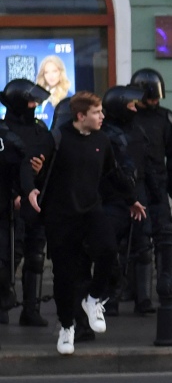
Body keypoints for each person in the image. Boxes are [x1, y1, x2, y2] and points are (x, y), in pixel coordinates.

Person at [30, 91, 133, 355]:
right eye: (97, 112)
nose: (102, 116)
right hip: (61, 216)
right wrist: (30, 186)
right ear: (81, 116)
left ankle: (93, 299)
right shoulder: (57, 138)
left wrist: (132, 198)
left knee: (109, 250)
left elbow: (112, 173)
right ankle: (67, 327)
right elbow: (30, 166)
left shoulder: (102, 140)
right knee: (64, 276)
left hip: (91, 210)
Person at [129, 68, 172, 314]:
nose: (155, 101)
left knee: (165, 239)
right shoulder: (127, 117)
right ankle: (141, 297)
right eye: (151, 96)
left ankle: (167, 288)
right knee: (140, 242)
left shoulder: (165, 118)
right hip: (136, 187)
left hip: (159, 186)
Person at [0, 79, 55, 327]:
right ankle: (2, 305)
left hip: (36, 202)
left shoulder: (40, 129)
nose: (35, 105)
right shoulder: (2, 131)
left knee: (35, 256)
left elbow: (49, 164)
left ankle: (30, 310)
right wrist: (13, 194)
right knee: (9, 257)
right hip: (9, 205)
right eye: (31, 101)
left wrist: (40, 171)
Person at [98, 85, 149, 322]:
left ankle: (143, 299)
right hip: (113, 199)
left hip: (137, 195)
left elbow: (150, 165)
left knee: (141, 247)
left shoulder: (139, 130)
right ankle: (111, 299)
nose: (135, 108)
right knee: (110, 249)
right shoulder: (106, 134)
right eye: (131, 105)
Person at [35, 55, 74, 127]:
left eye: (54, 71)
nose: (51, 76)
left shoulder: (68, 97)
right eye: (46, 72)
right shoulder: (38, 95)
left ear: (60, 72)